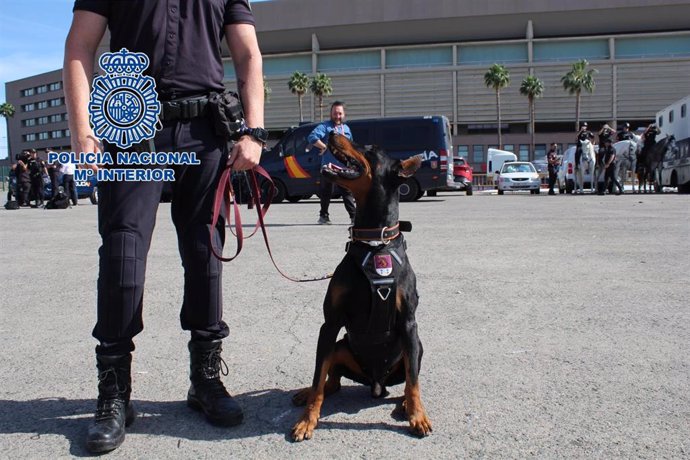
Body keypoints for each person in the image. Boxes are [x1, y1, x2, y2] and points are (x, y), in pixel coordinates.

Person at [64, 0, 264, 454]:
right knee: (122, 256)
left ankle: (205, 381)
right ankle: (115, 394)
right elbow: (79, 47)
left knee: (205, 254)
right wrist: (82, 131)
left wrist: (254, 131)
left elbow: (247, 53)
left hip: (205, 132)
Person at [307, 101, 356, 225]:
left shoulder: (346, 129)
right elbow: (312, 137)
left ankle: (354, 217)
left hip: (343, 167)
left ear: (344, 114)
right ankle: (323, 216)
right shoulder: (325, 126)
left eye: (340, 113)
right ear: (331, 114)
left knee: (347, 192)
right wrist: (324, 147)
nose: (337, 116)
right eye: (335, 113)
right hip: (328, 167)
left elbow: (351, 147)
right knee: (326, 193)